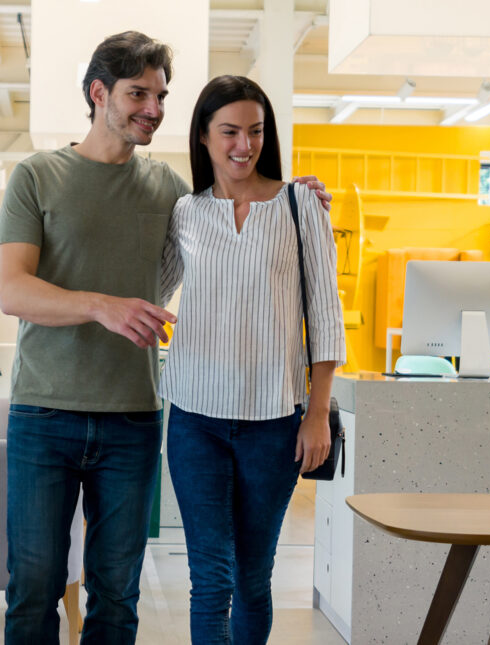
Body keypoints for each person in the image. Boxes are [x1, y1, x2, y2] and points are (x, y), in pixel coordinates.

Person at [0, 32, 330, 644]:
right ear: (99, 93)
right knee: (34, 586)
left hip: (135, 417)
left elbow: (227, 229)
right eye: (138, 93)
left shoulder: (173, 195)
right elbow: (9, 289)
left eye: (161, 95)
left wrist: (294, 199)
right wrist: (100, 306)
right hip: (44, 414)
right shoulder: (37, 175)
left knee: (117, 592)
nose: (153, 107)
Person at [158, 75, 344, 644]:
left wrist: (317, 415)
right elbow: (153, 288)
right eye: (230, 131)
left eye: (256, 131)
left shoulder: (300, 205)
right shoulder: (185, 211)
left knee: (253, 576)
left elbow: (326, 316)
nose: (244, 145)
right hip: (195, 419)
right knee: (209, 578)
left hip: (275, 423)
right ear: (205, 137)